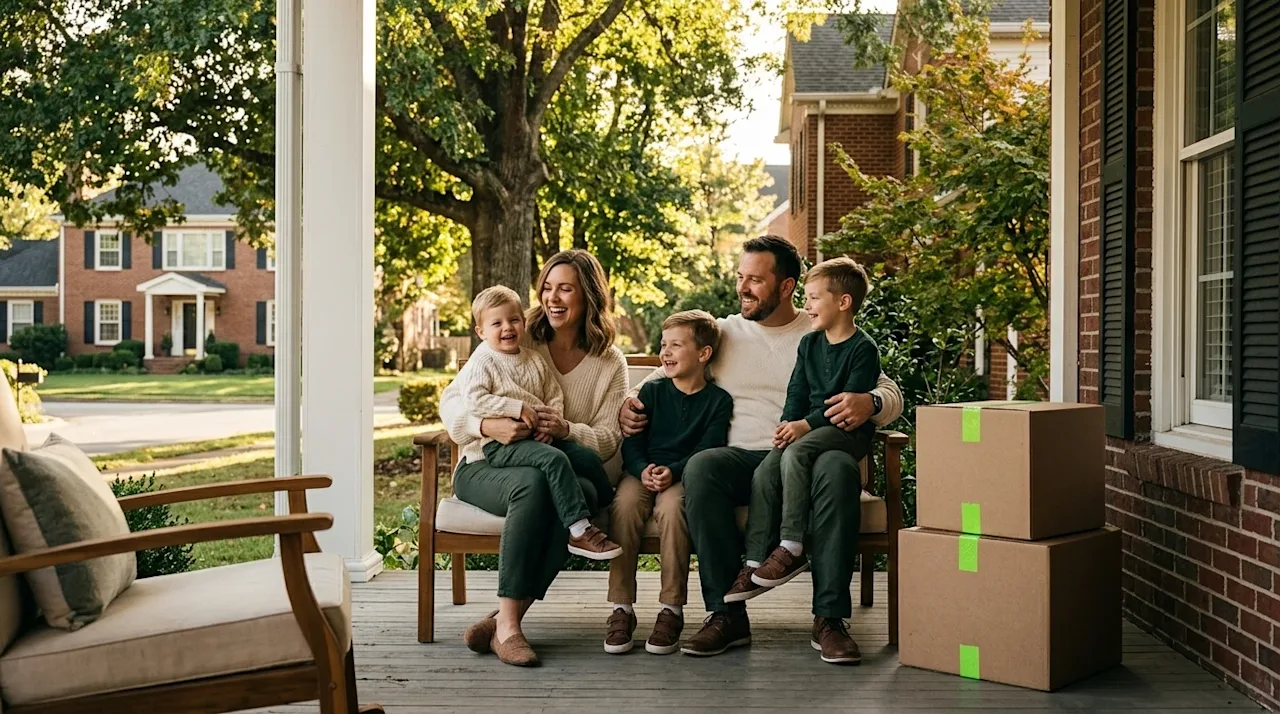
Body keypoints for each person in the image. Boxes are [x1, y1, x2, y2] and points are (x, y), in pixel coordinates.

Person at [619, 236, 903, 663]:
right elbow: (664, 372)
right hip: (738, 458)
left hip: (806, 455)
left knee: (839, 470)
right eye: (740, 277)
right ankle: (725, 615)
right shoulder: (725, 332)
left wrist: (872, 403)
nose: (743, 287)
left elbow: (885, 388)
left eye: (755, 279)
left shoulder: (820, 326)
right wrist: (631, 402)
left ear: (788, 286)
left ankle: (829, 618)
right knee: (701, 466)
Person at [440, 250, 629, 667]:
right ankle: (508, 628)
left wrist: (565, 429)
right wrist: (489, 426)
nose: (553, 297)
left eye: (565, 288)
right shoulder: (513, 334)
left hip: (555, 460)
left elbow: (608, 439)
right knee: (538, 486)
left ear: (590, 296)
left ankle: (503, 622)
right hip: (485, 466)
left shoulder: (609, 361)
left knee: (572, 491)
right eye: (547, 287)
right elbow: (453, 402)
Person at [723, 258, 879, 666]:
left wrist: (803, 429)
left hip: (842, 434)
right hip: (806, 433)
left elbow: (853, 400)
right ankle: (756, 561)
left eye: (814, 298)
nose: (809, 306)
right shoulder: (809, 343)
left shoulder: (862, 347)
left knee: (817, 461)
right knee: (769, 466)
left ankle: (796, 554)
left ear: (843, 302)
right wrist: (786, 425)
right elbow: (797, 389)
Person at [453, 284, 622, 560]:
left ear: (524, 321)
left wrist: (549, 422)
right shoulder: (482, 360)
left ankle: (607, 505)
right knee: (554, 461)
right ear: (481, 332)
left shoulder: (532, 358)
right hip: (502, 442)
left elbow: (552, 393)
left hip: (538, 436)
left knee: (583, 456)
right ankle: (579, 530)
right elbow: (473, 400)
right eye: (497, 323)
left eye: (514, 320)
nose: (507, 328)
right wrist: (514, 408)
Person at [605, 310, 734, 656]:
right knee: (625, 506)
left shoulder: (718, 401)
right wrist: (642, 468)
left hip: (681, 475)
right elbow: (632, 440)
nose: (666, 352)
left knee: (674, 509)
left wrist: (673, 472)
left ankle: (671, 610)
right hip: (641, 470)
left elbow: (709, 449)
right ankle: (621, 608)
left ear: (703, 354)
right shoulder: (651, 391)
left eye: (677, 345)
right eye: (664, 345)